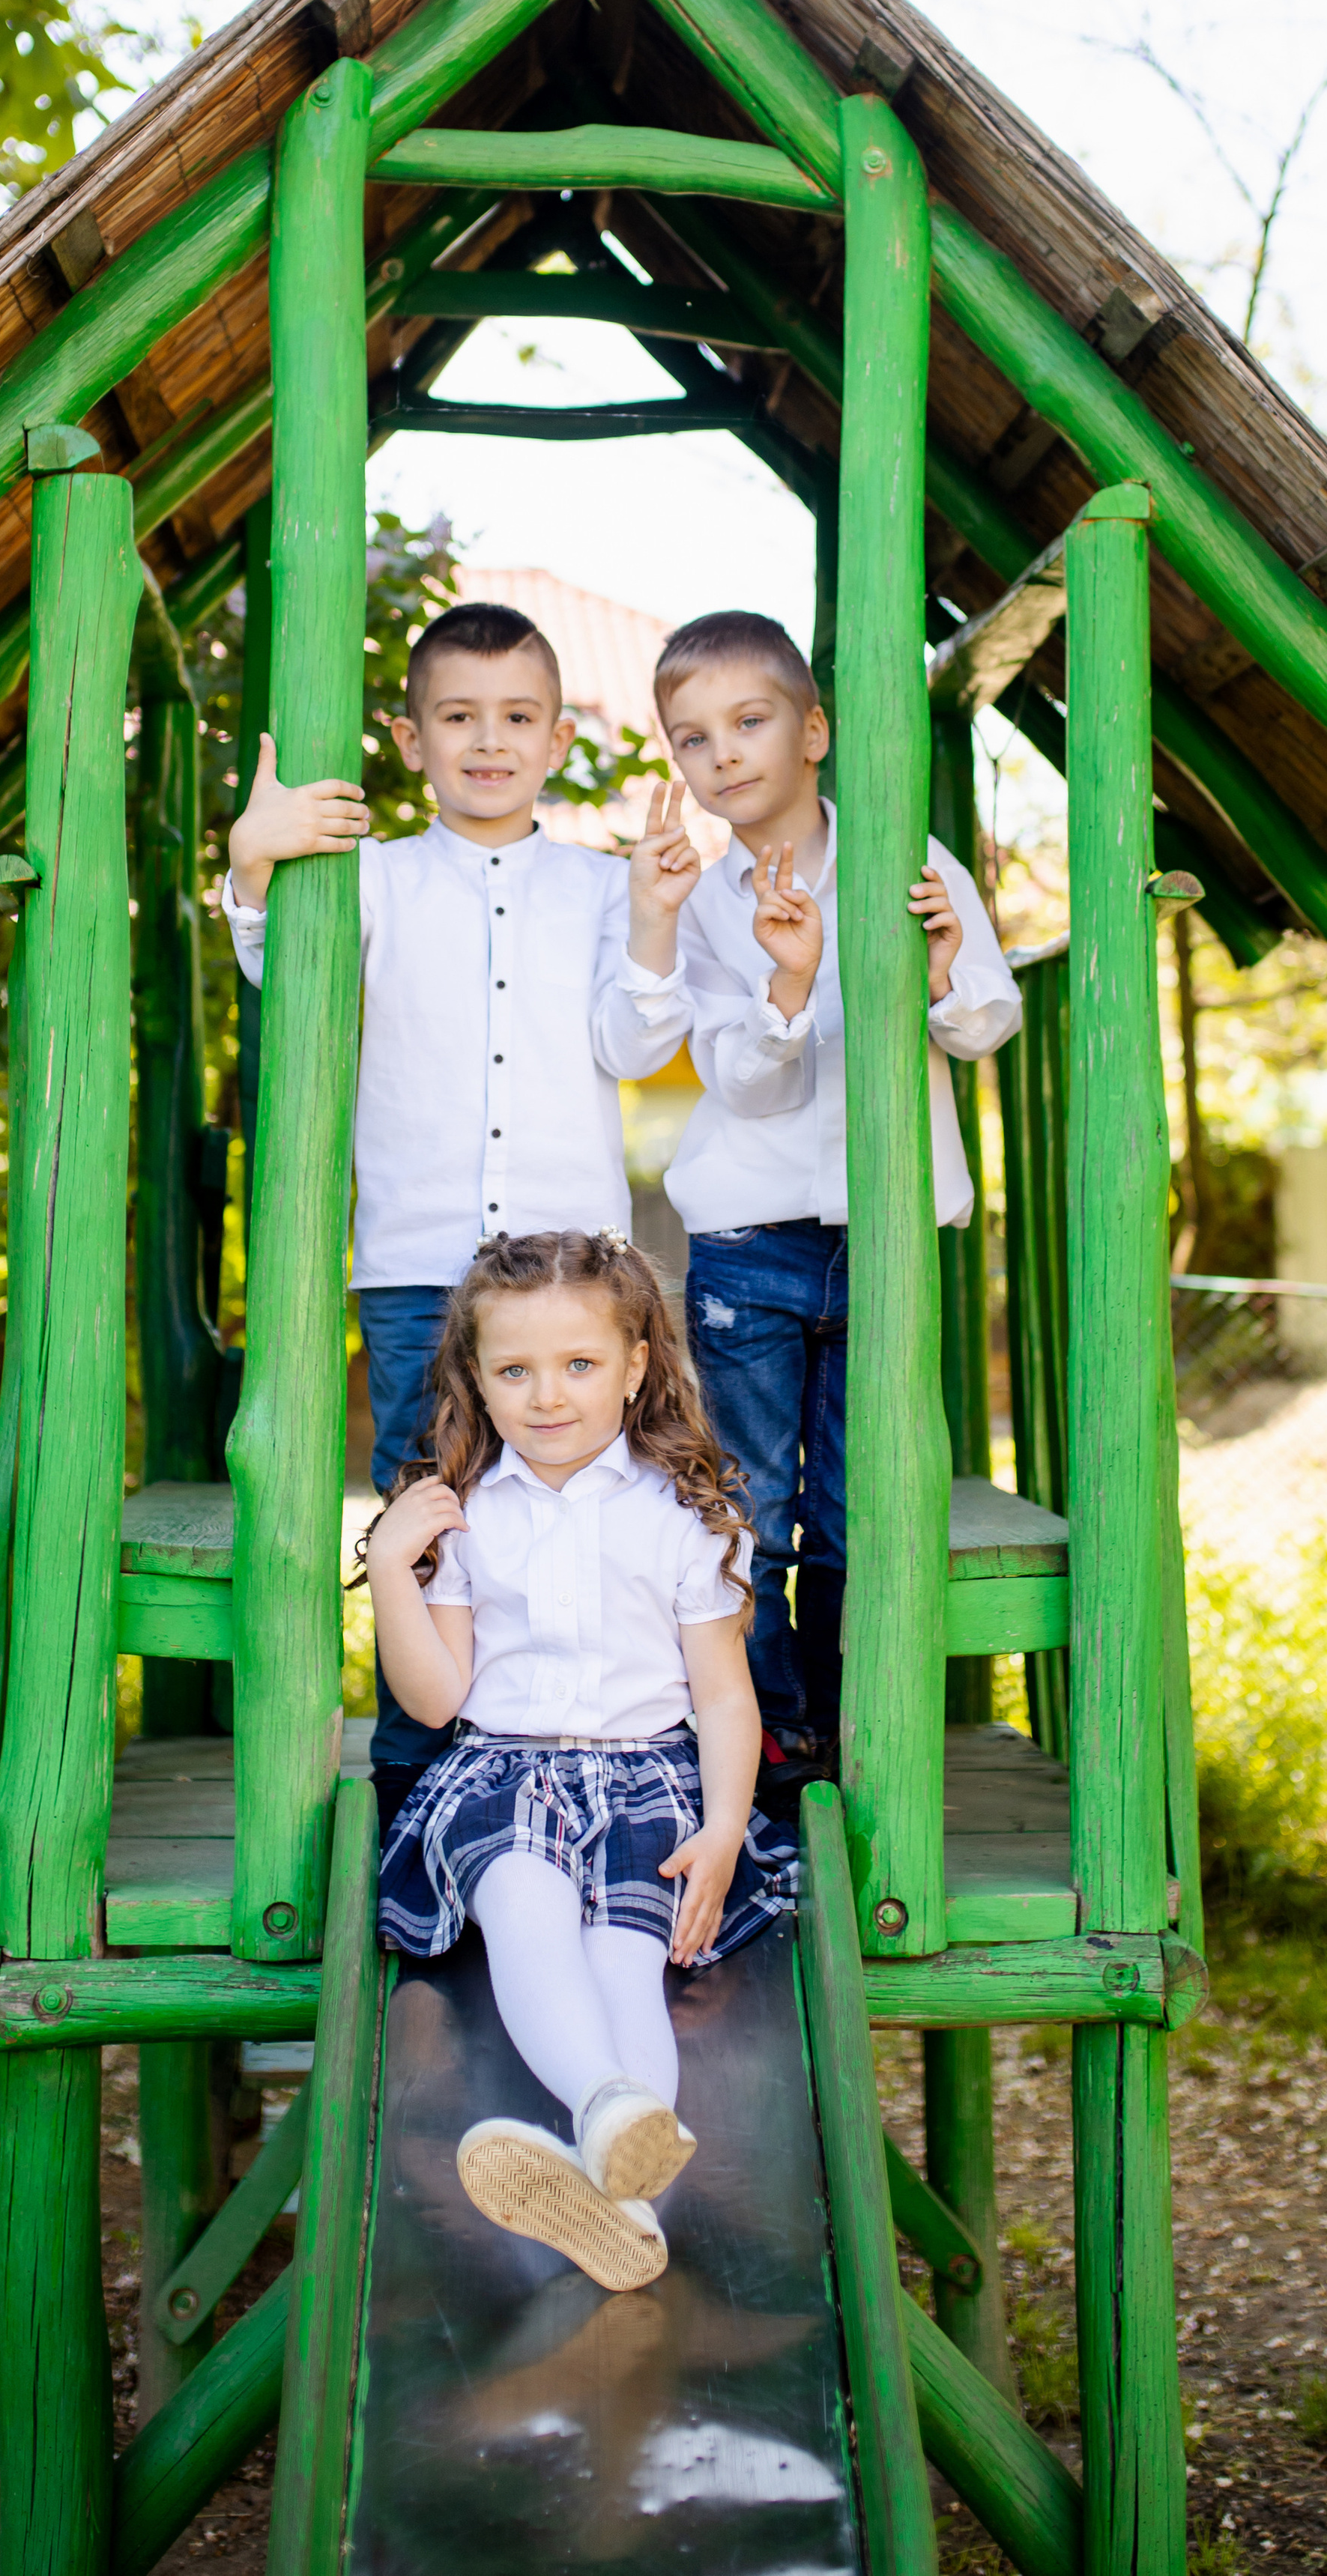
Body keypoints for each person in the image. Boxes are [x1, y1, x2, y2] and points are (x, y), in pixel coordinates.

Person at [223, 602, 695, 1833]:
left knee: (583, 1506)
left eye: (517, 718)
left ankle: (590, 1758)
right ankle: (425, 1784)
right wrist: (251, 861)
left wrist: (652, 918)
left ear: (556, 739)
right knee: (428, 1515)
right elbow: (280, 965)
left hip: (571, 1277)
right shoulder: (366, 877)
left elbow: (636, 1043)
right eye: (459, 717)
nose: (489, 741)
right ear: (411, 736)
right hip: (416, 1266)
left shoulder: (603, 886)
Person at [611, 609, 1022, 1808]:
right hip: (752, 1241)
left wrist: (941, 978)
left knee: (862, 1497)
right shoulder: (705, 903)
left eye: (750, 722)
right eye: (693, 740)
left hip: (889, 1235)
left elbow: (986, 1022)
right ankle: (771, 1731)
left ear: (816, 729)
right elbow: (743, 1080)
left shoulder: (914, 858)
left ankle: (850, 1720)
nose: (723, 755)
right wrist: (787, 986)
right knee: (753, 1501)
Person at [364, 1227, 796, 2292]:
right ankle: (609, 2109)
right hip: (503, 1773)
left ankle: (621, 2205)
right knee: (523, 1903)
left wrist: (727, 1826)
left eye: (579, 1365)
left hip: (648, 1782)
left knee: (625, 1965)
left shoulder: (685, 1517)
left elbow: (723, 1697)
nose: (547, 1395)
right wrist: (388, 1565)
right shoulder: (469, 1516)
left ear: (637, 1366)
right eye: (514, 1370)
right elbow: (438, 1697)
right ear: (476, 1375)